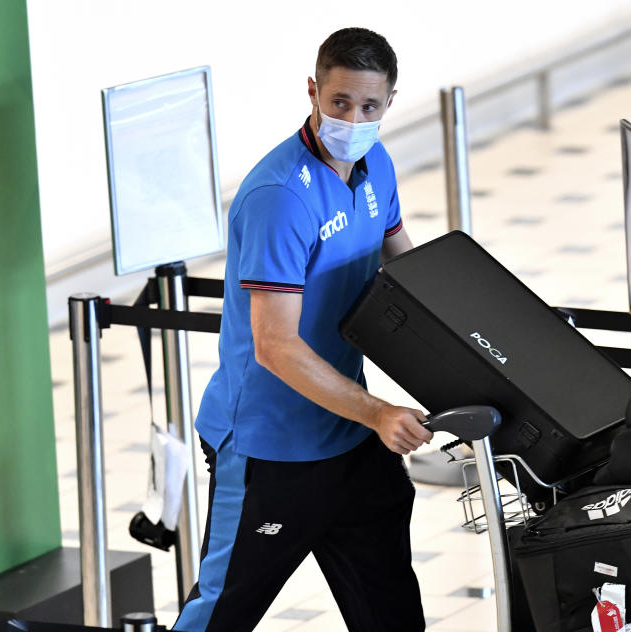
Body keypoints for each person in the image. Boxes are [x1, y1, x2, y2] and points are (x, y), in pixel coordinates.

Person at [173, 27, 433, 632]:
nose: (351, 117)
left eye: (368, 106)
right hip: (271, 448)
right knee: (221, 614)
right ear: (313, 90)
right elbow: (275, 345)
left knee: (391, 609)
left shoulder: (376, 164)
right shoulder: (281, 196)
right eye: (338, 102)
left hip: (349, 441)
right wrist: (376, 414)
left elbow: (409, 269)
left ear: (390, 102)